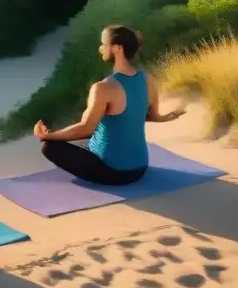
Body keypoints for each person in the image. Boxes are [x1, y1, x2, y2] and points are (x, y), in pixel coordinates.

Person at [33, 25, 185, 186]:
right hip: (140, 167)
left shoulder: (103, 88)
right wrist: (166, 117)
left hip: (114, 172)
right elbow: (150, 115)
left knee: (48, 147)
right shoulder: (147, 79)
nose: (100, 49)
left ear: (117, 49)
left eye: (104, 44)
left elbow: (86, 129)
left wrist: (47, 136)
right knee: (91, 136)